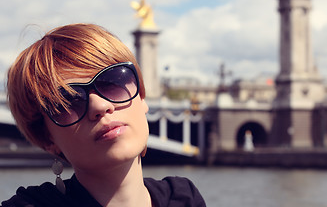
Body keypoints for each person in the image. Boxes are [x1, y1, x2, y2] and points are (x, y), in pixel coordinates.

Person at [1, 23, 206, 207]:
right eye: (68, 101)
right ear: (47, 137)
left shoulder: (183, 198)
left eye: (113, 82)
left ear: (142, 97)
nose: (100, 105)